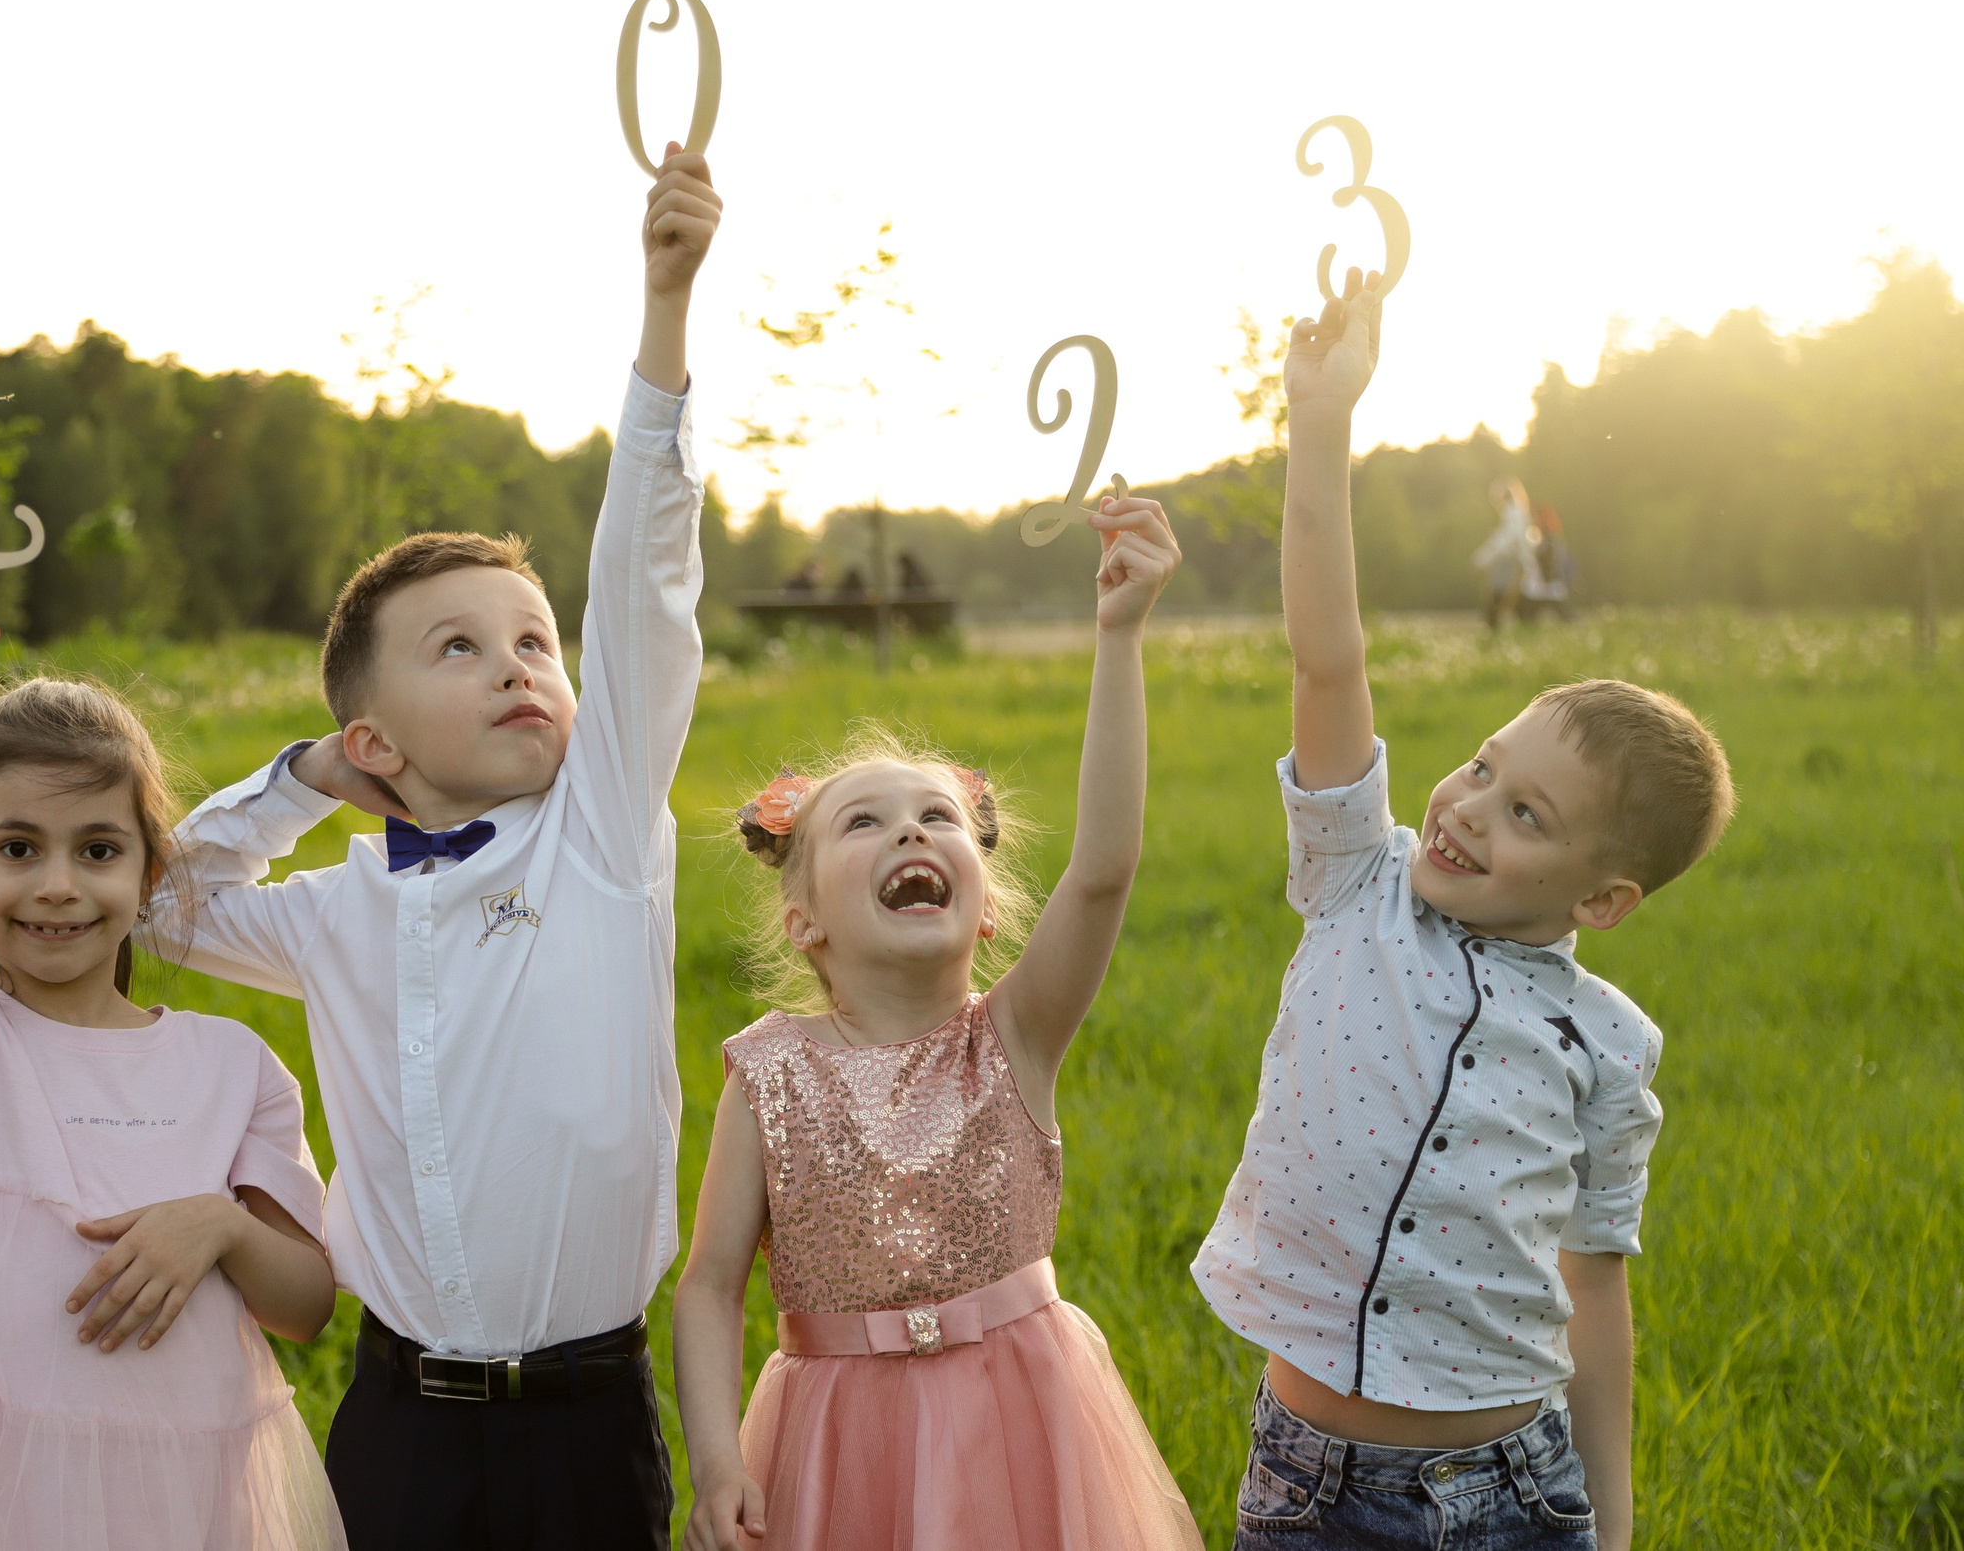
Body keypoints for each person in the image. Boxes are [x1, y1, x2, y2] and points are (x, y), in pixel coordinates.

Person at [148, 143, 723, 1550]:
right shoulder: (334, 910)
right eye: (458, 647)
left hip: (591, 1418)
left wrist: (664, 316)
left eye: (534, 639)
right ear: (378, 739)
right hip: (395, 1416)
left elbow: (646, 578)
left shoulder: (600, 837)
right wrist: (302, 779)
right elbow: (163, 903)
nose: (521, 665)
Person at [1192, 270, 1736, 1551]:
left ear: (1602, 900)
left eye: (1528, 815)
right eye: (1483, 765)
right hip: (1311, 1485)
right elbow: (1329, 653)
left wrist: (1608, 1522)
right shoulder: (1355, 881)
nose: (1471, 807)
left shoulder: (1610, 1049)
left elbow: (1593, 1297)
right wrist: (1318, 423)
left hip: (1513, 1492)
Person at [672, 494, 1200, 1551]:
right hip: (834, 1442)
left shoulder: (1013, 1038)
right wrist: (721, 1456)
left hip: (1023, 1424)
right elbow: (709, 1284)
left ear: (986, 903)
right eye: (863, 822)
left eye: (936, 818)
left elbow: (1101, 871)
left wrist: (1119, 634)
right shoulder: (767, 1074)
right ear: (805, 917)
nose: (909, 828)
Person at [0, 602, 343, 1551]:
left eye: (98, 850)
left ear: (152, 874)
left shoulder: (233, 1066)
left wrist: (221, 1222)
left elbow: (306, 1305)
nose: (59, 883)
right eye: (17, 848)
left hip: (187, 1503)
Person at [1473, 481, 1537, 629]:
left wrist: (1481, 559)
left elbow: (1505, 541)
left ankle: (1493, 625)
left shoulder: (1512, 514)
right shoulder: (1518, 513)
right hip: (1516, 561)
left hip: (1510, 561)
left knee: (1499, 593)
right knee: (1514, 596)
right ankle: (1524, 625)